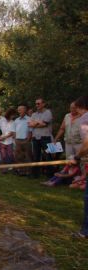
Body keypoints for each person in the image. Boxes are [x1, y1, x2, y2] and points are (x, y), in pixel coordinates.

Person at [70, 95, 88, 239]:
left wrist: (77, 157)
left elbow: (87, 143)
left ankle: (85, 231)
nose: (77, 112)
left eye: (78, 109)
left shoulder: (86, 118)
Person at [29, 98, 54, 178]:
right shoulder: (34, 114)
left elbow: (45, 124)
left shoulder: (48, 112)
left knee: (48, 155)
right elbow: (30, 124)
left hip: (46, 137)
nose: (37, 105)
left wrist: (35, 123)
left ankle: (50, 174)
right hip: (35, 138)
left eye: (38, 103)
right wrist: (39, 122)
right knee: (36, 156)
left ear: (43, 104)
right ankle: (35, 174)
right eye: (36, 104)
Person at [13, 105, 33, 176]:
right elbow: (14, 131)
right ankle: (21, 171)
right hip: (18, 141)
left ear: (25, 110)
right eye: (18, 110)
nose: (19, 111)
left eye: (20, 110)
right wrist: (15, 139)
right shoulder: (16, 120)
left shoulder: (29, 119)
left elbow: (31, 131)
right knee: (19, 157)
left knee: (28, 156)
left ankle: (28, 172)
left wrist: (28, 140)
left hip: (26, 140)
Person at [0, 109, 16, 173]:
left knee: (10, 155)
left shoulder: (13, 122)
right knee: (3, 155)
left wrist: (4, 137)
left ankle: (12, 167)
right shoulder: (2, 120)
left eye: (14, 115)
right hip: (2, 141)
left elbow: (12, 133)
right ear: (9, 114)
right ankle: (4, 169)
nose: (13, 116)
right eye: (12, 115)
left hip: (9, 142)